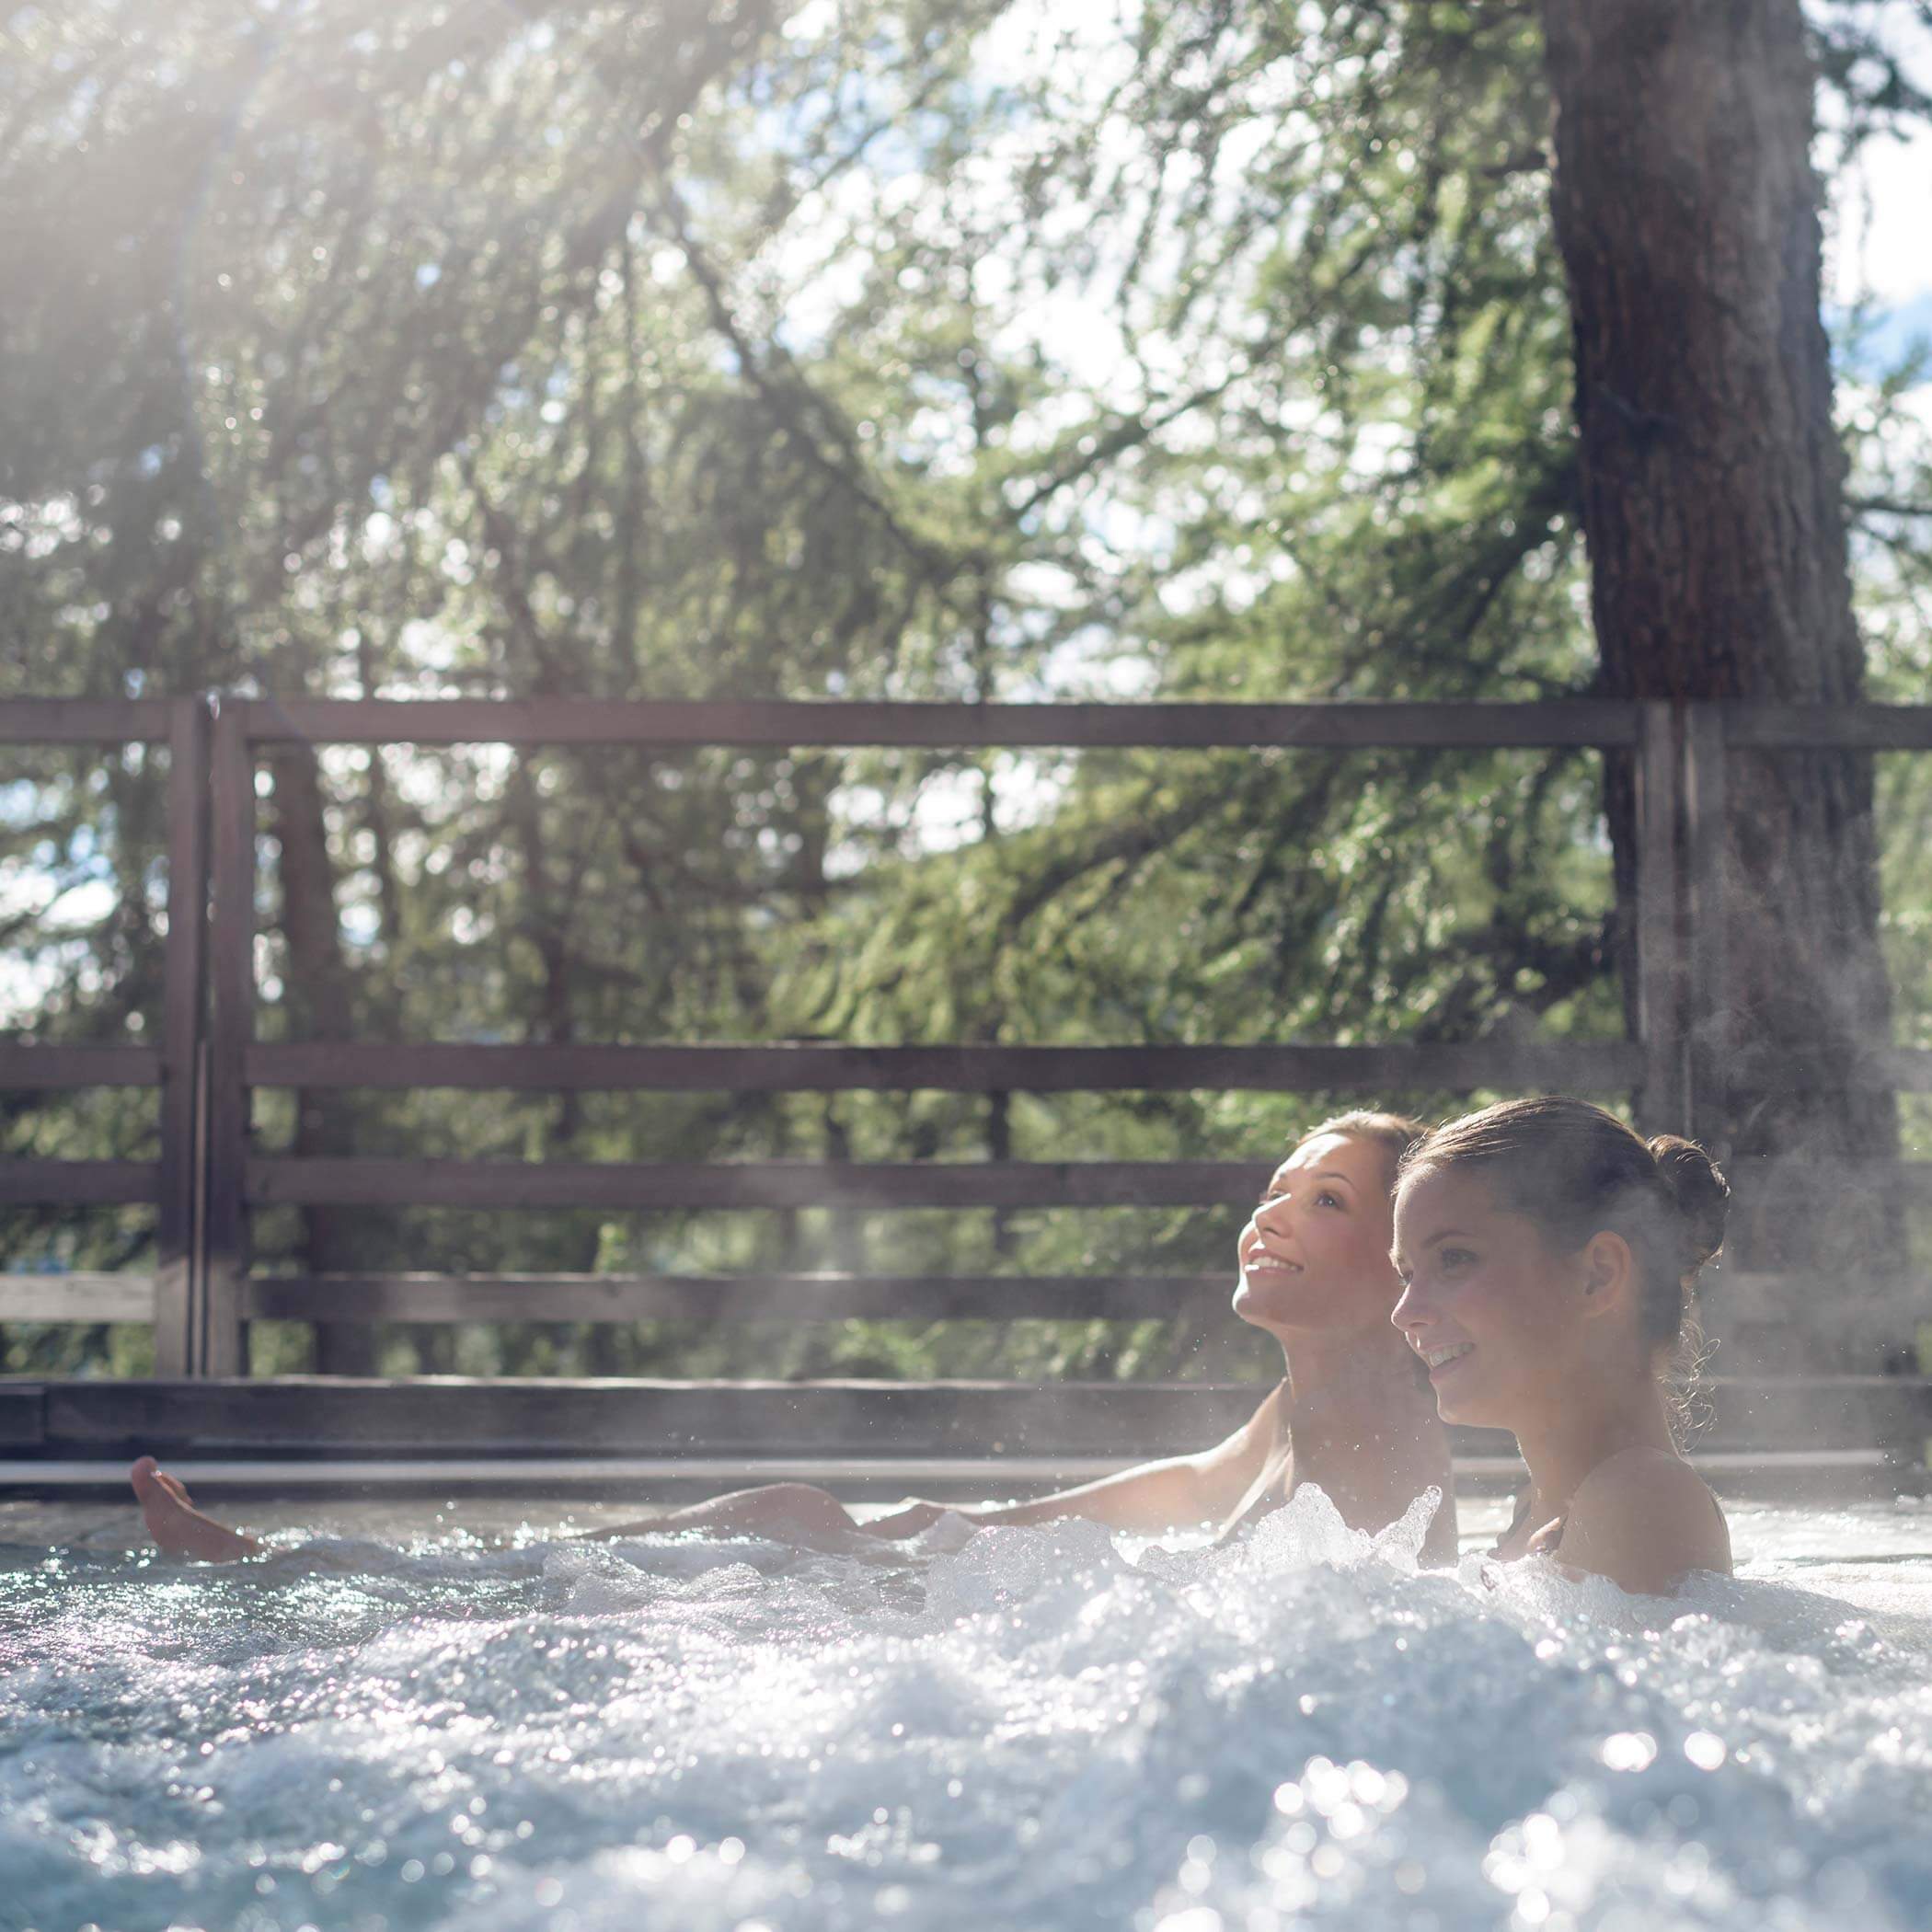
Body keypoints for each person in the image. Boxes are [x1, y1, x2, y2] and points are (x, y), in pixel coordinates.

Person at [132, 1111, 1456, 1565]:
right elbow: (1174, 1491)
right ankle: (340, 1566)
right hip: (1044, 1616)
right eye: (1276, 1183)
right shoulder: (1297, 1413)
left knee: (789, 1509)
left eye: (1325, 1198)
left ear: (1400, 1255)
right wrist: (976, 1526)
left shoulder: (1391, 1440)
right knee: (801, 1512)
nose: (1273, 1209)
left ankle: (305, 1571)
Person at [1389, 1095, 1731, 1594]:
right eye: (1406, 1274)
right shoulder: (1541, 1512)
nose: (1405, 1312)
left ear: (1597, 1274)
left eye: (1455, 1258)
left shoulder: (1639, 1500)